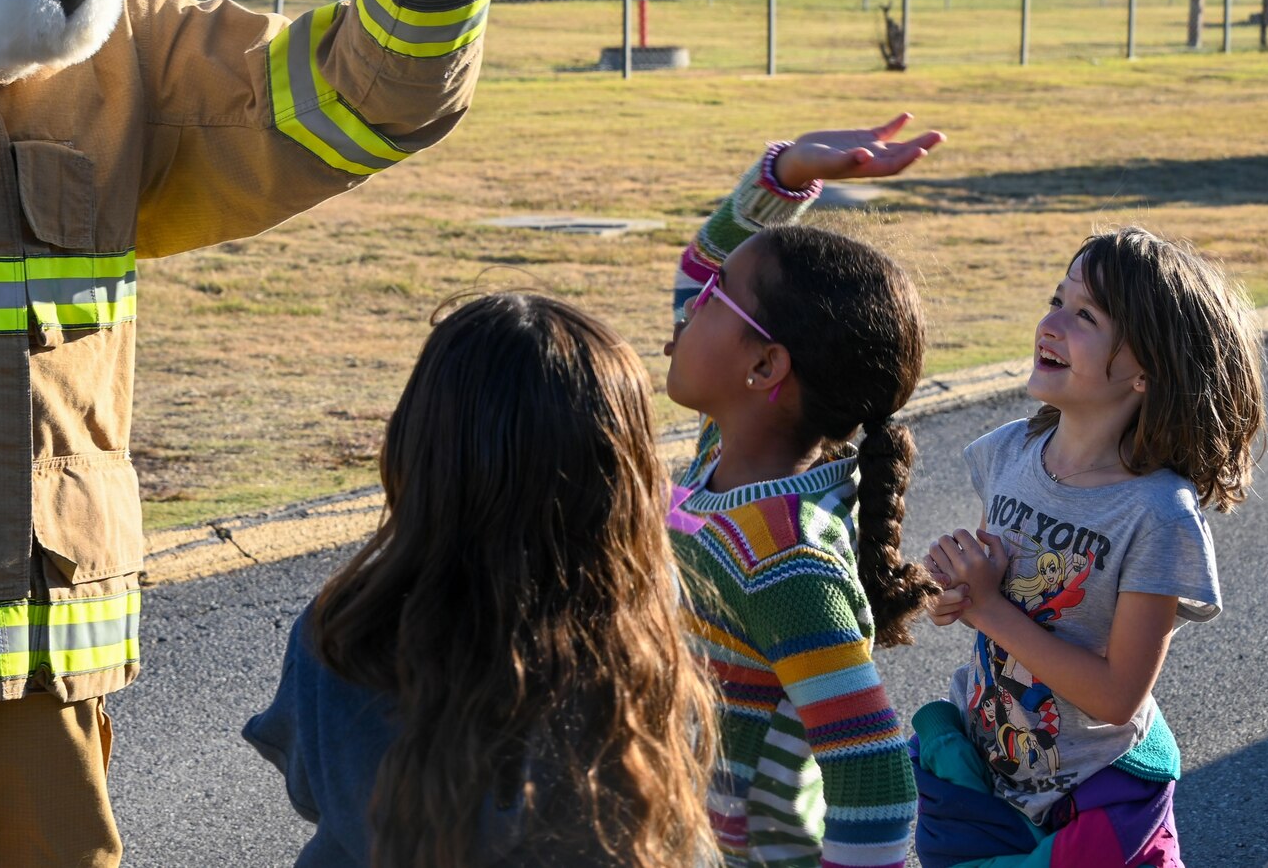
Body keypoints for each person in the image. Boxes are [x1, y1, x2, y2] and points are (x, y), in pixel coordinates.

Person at [244, 293, 719, 867]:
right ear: (625, 472)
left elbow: (308, 785)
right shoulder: (643, 620)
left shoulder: (346, 627)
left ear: (417, 449)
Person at [913, 227, 1267, 868]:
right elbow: (1002, 594)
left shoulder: (1158, 515)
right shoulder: (1007, 454)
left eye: (1085, 315)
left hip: (1095, 801)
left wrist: (990, 609)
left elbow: (1115, 696)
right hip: (992, 776)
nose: (1050, 323)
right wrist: (959, 592)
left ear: (1147, 370)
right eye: (1057, 298)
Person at [662, 116, 947, 868]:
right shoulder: (729, 450)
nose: (692, 305)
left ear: (765, 369)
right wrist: (784, 174)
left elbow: (876, 772)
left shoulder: (788, 562)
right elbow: (701, 267)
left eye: (719, 298)